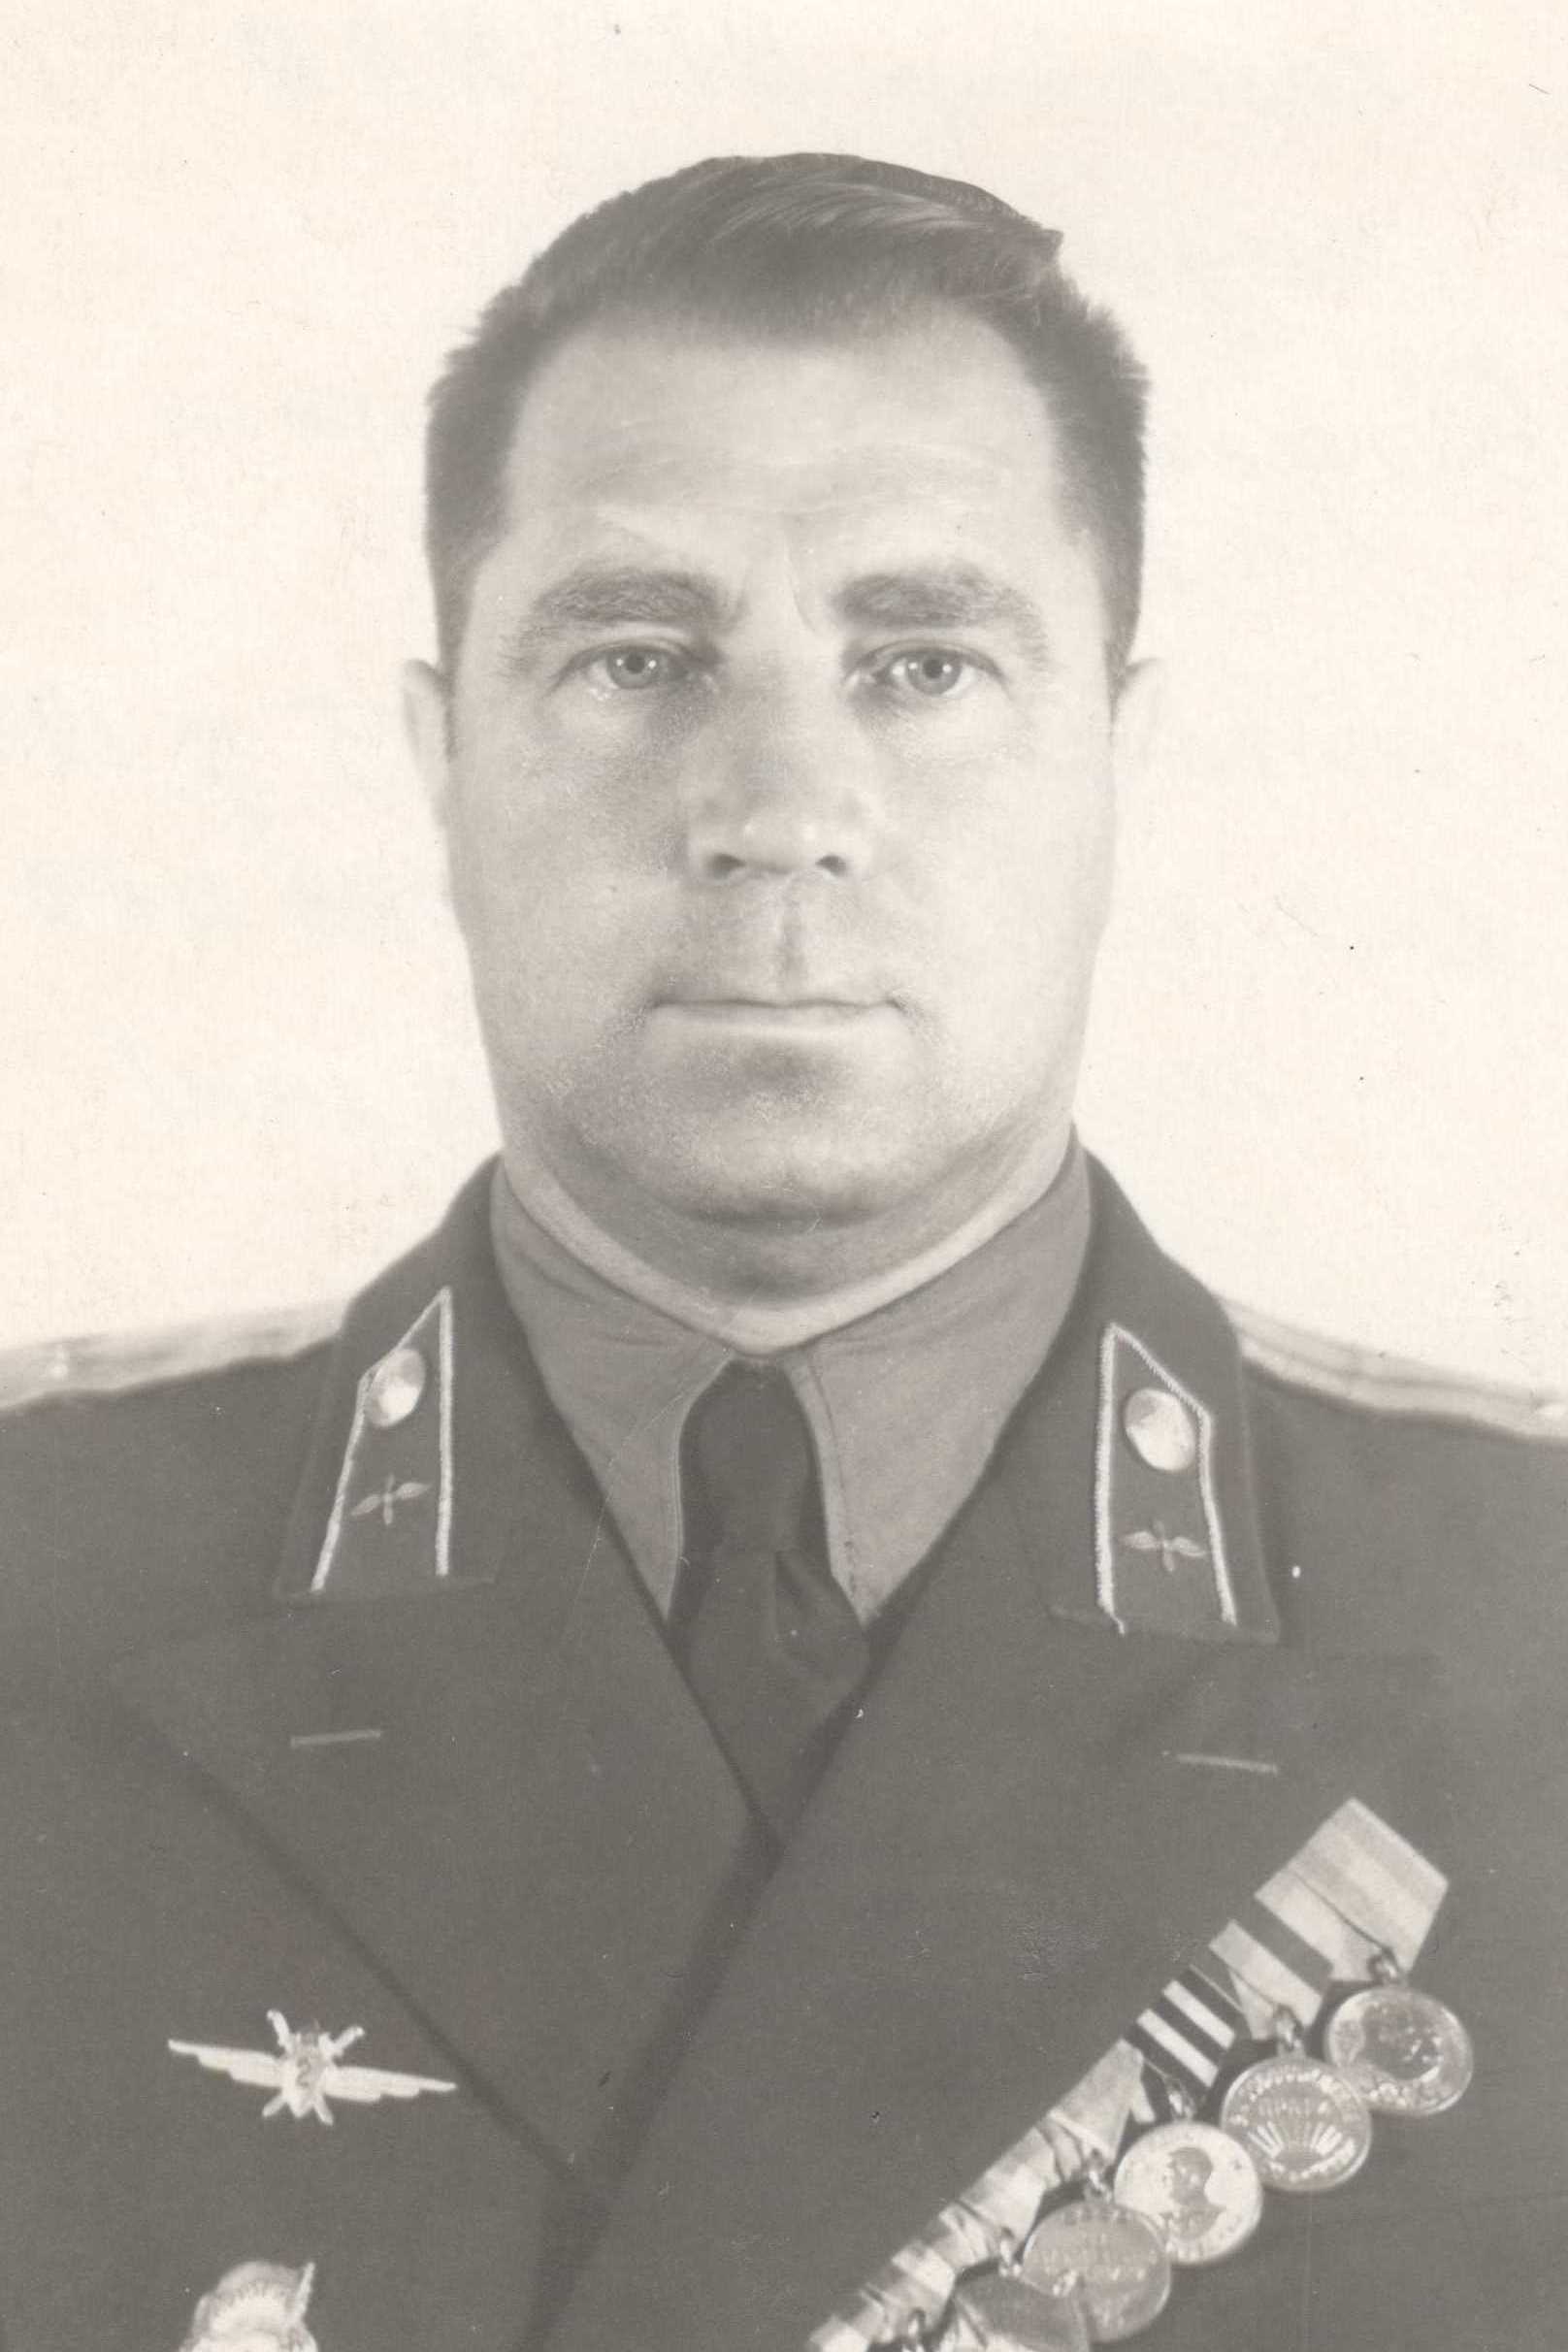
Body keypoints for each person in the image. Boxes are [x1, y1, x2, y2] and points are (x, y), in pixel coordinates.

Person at [0, 152, 1563, 2352]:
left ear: (1118, 757)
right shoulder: (39, 1563)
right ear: (441, 761)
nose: (778, 812)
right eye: (637, 657)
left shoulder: (1526, 1609)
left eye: (921, 663)